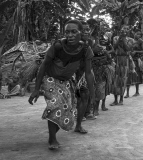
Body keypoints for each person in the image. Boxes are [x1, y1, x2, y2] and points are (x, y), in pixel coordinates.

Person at [28, 20, 95, 150]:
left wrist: (92, 94)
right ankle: (52, 139)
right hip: (50, 79)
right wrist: (36, 89)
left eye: (74, 32)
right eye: (67, 32)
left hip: (67, 81)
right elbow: (43, 66)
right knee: (55, 104)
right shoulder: (58, 46)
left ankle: (56, 133)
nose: (70, 35)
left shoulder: (86, 50)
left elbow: (88, 73)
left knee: (66, 110)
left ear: (81, 33)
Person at [111, 25, 135, 106]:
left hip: (125, 60)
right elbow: (114, 47)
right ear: (121, 29)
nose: (125, 30)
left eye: (127, 29)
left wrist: (124, 39)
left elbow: (127, 49)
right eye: (124, 28)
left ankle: (121, 99)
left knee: (123, 79)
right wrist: (120, 38)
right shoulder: (115, 38)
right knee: (115, 79)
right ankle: (115, 100)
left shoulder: (131, 40)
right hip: (117, 59)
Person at [124, 30, 143, 98]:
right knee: (128, 74)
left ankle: (137, 91)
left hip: (137, 60)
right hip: (130, 59)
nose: (137, 35)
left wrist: (136, 51)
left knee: (137, 75)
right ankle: (127, 93)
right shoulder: (131, 40)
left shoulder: (141, 42)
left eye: (139, 34)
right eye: (137, 33)